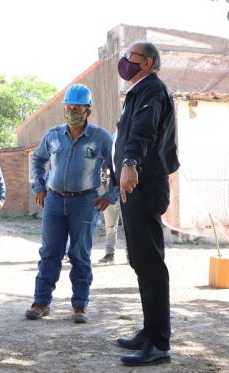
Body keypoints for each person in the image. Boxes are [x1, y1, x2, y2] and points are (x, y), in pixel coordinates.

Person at [24, 84, 117, 324]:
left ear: (88, 110)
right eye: (68, 107)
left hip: (85, 202)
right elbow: (38, 159)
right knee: (49, 252)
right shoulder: (53, 135)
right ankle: (41, 302)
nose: (72, 111)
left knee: (80, 253)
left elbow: (115, 169)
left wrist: (110, 196)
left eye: (77, 107)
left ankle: (80, 306)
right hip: (54, 201)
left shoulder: (100, 137)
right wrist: (40, 187)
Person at [113, 40, 179, 366]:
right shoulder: (138, 91)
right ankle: (150, 331)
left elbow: (143, 131)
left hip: (144, 183)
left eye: (131, 57)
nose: (124, 61)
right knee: (140, 262)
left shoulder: (152, 90)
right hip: (132, 188)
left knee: (150, 264)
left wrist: (130, 163)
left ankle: (159, 344)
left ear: (148, 63)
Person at [98, 167, 121, 263]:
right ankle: (110, 253)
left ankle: (130, 254)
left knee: (129, 227)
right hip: (108, 196)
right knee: (110, 226)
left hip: (124, 193)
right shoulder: (104, 155)